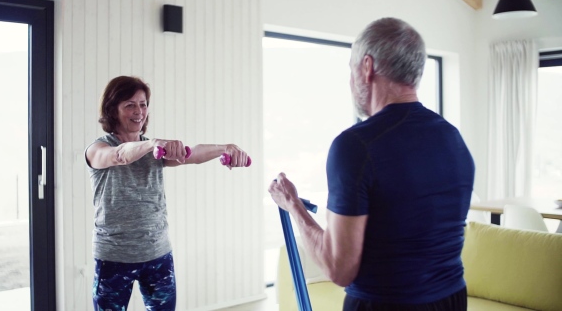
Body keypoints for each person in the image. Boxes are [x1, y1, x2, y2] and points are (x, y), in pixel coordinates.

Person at [268, 17, 474, 311]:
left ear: (366, 67)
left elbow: (338, 268)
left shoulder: (355, 146)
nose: (351, 81)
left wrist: (294, 205)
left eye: (351, 69)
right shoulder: (454, 139)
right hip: (452, 300)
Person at [85, 75, 250, 311]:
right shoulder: (98, 149)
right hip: (114, 257)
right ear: (112, 110)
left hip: (158, 254)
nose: (139, 111)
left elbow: (192, 153)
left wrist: (225, 148)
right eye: (130, 105)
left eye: (143, 104)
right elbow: (120, 155)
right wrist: (153, 144)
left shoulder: (155, 150)